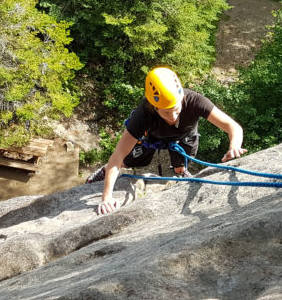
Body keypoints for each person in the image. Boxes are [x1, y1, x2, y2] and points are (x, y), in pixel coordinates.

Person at [85, 66, 247, 214]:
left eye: (176, 110)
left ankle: (180, 173)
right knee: (125, 162)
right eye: (166, 112)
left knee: (180, 167)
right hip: (151, 139)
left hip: (184, 138)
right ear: (154, 107)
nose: (173, 117)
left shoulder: (195, 101)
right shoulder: (143, 114)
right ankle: (104, 171)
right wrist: (107, 197)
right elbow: (118, 154)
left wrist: (234, 146)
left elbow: (232, 126)